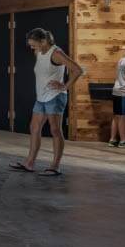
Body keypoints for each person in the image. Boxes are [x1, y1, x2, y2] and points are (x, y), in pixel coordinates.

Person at [9, 28, 84, 177]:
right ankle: (29, 163)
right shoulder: (39, 52)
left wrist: (64, 86)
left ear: (43, 41)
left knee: (55, 130)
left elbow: (77, 70)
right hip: (41, 97)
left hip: (55, 97)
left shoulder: (56, 53)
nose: (32, 48)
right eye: (31, 45)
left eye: (34, 45)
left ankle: (55, 167)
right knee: (34, 128)